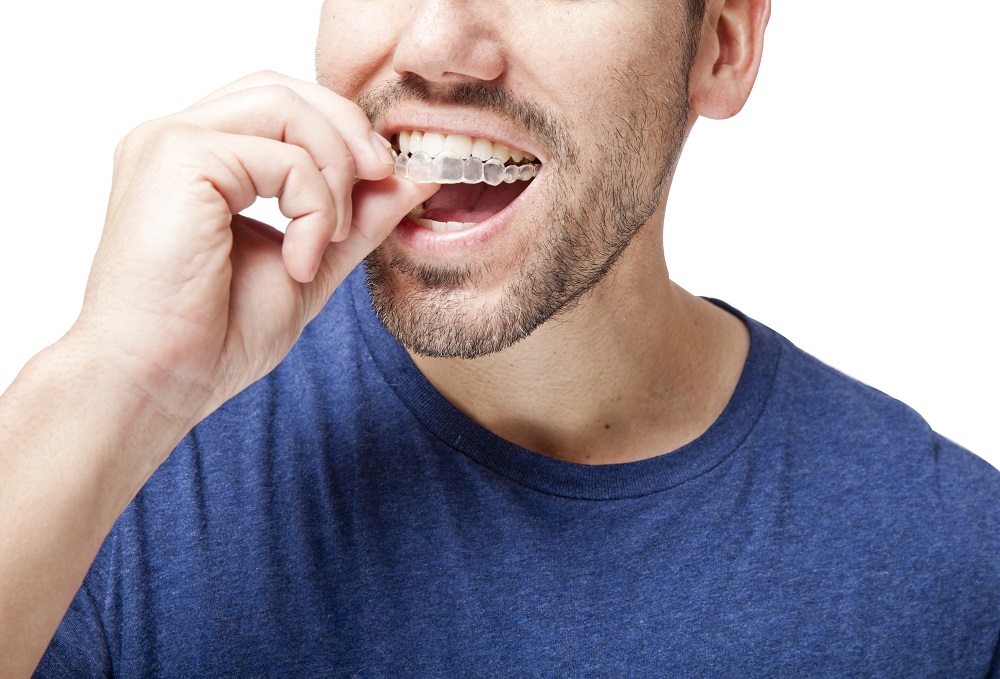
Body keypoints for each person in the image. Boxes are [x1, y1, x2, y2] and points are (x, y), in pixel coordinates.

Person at [1, 0, 997, 676]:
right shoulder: (110, 476)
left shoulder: (956, 560)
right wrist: (113, 379)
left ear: (721, 47)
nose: (436, 41)